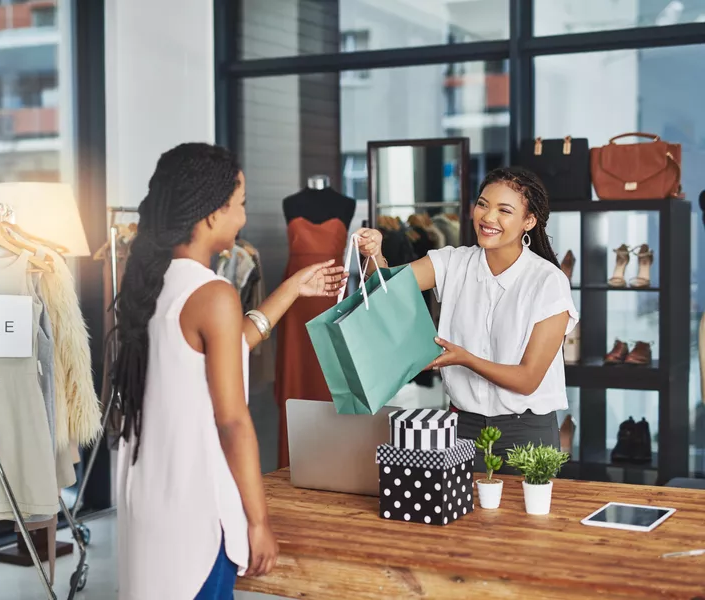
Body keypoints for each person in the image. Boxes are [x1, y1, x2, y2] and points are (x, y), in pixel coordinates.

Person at [112, 143, 348, 600]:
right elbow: (233, 422)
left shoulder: (150, 281)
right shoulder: (213, 293)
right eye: (240, 206)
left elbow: (233, 341)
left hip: (149, 498)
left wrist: (292, 289)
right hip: (196, 508)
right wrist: (258, 521)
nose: (243, 218)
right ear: (210, 216)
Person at [355, 166, 578, 473]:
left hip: (526, 433)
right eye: (483, 204)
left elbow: (528, 380)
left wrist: (465, 359)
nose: (488, 217)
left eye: (504, 210)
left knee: (524, 522)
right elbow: (385, 289)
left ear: (529, 220)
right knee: (460, 520)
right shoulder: (451, 263)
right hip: (461, 428)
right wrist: (373, 254)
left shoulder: (548, 281)